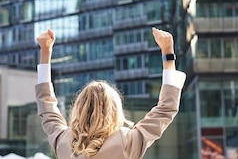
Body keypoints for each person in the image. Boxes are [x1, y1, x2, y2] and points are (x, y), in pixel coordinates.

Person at [35, 27, 186, 159]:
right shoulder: (126, 142)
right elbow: (166, 108)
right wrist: (168, 54)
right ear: (114, 111)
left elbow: (47, 106)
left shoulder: (63, 142)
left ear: (79, 109)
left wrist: (45, 52)